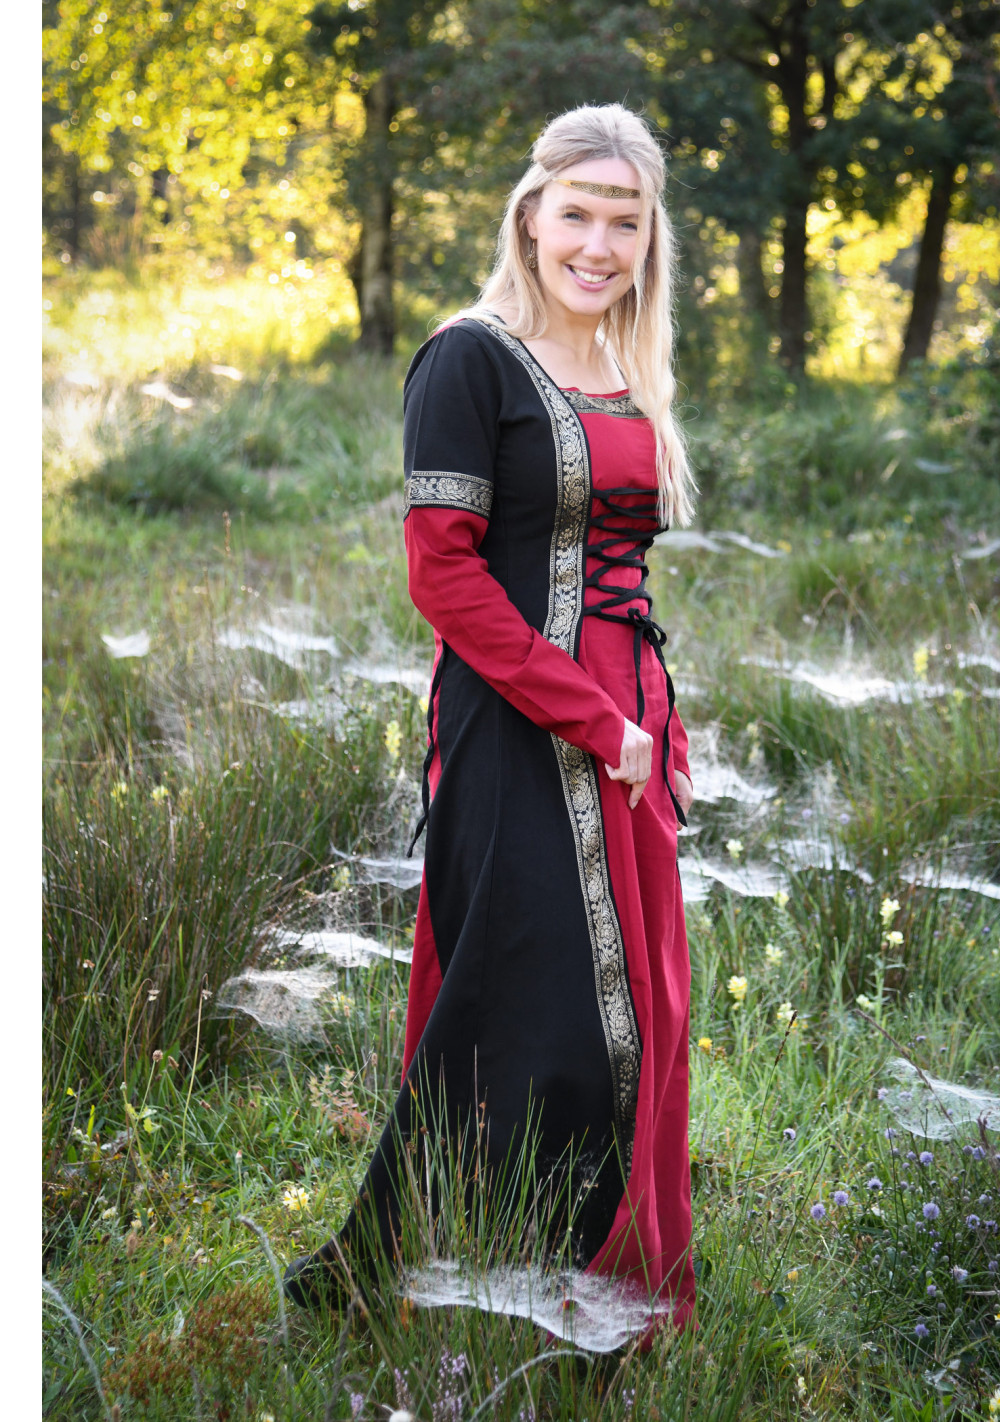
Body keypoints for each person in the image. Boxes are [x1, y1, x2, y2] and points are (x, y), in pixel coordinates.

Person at [284, 102, 698, 1338]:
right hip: (518, 724)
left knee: (641, 1008)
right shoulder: (468, 358)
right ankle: (427, 1262)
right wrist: (590, 719)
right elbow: (444, 578)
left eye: (625, 222)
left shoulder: (624, 368)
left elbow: (621, 586)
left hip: (628, 727)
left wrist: (655, 726)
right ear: (528, 216)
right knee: (530, 1000)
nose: (598, 245)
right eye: (577, 214)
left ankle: (595, 1276)